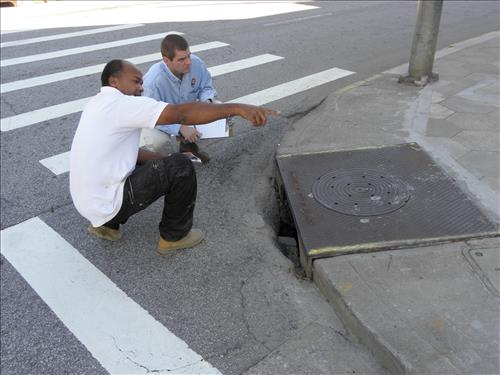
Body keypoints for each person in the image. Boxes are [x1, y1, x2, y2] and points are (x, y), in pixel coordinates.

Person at [69, 59, 277, 255]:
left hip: (87, 201)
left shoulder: (96, 104)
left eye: (141, 83)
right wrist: (238, 108)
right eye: (135, 82)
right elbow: (180, 114)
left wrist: (162, 162)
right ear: (114, 82)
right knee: (181, 165)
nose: (141, 88)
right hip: (105, 202)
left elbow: (128, 153)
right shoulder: (122, 104)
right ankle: (174, 237)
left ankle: (107, 227)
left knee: (166, 163)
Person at [142, 34, 217, 163]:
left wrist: (207, 103)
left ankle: (188, 147)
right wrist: (179, 128)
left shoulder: (196, 63)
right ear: (166, 61)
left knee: (217, 110)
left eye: (188, 55)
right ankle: (166, 161)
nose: (188, 61)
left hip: (187, 112)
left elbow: (206, 87)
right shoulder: (152, 82)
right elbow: (150, 115)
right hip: (163, 119)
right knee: (157, 141)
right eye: (182, 59)